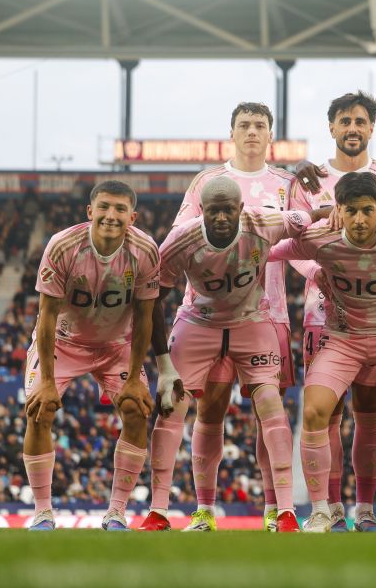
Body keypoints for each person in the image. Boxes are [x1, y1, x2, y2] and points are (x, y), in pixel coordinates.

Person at [139, 102, 300, 532]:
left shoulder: (289, 183)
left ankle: (276, 508)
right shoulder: (207, 182)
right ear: (232, 132)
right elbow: (186, 241)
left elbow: (306, 236)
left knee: (271, 407)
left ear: (271, 134)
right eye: (244, 125)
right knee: (208, 412)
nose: (252, 132)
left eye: (260, 125)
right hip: (204, 313)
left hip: (268, 312)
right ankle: (202, 509)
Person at [268, 171, 376, 533]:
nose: (360, 220)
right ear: (340, 211)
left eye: (368, 210)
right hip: (344, 339)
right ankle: (320, 511)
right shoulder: (319, 239)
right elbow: (269, 249)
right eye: (352, 211)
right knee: (316, 410)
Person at [151, 177, 330, 532]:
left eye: (227, 209)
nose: (220, 217)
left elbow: (311, 215)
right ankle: (161, 511)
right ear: (201, 211)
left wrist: (337, 211)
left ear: (240, 209)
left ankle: (284, 512)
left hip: (251, 321)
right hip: (199, 321)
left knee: (272, 407)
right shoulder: (180, 240)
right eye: (213, 210)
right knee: (171, 408)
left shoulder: (264, 222)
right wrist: (163, 364)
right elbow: (152, 298)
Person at [289, 91, 376, 532]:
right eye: (344, 121)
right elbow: (295, 243)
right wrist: (320, 270)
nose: (352, 128)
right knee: (326, 413)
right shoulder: (307, 181)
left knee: (370, 412)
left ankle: (366, 509)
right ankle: (327, 511)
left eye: (360, 121)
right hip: (324, 316)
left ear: (371, 128)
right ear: (331, 128)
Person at [23, 180, 159, 531]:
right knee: (40, 410)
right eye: (104, 207)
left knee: (136, 409)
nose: (110, 216)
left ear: (133, 216)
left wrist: (135, 373)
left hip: (115, 345)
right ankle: (42, 512)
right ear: (90, 211)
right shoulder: (63, 245)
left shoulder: (146, 249)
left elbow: (145, 317)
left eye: (119, 209)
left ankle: (116, 512)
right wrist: (48, 382)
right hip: (63, 343)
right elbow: (47, 315)